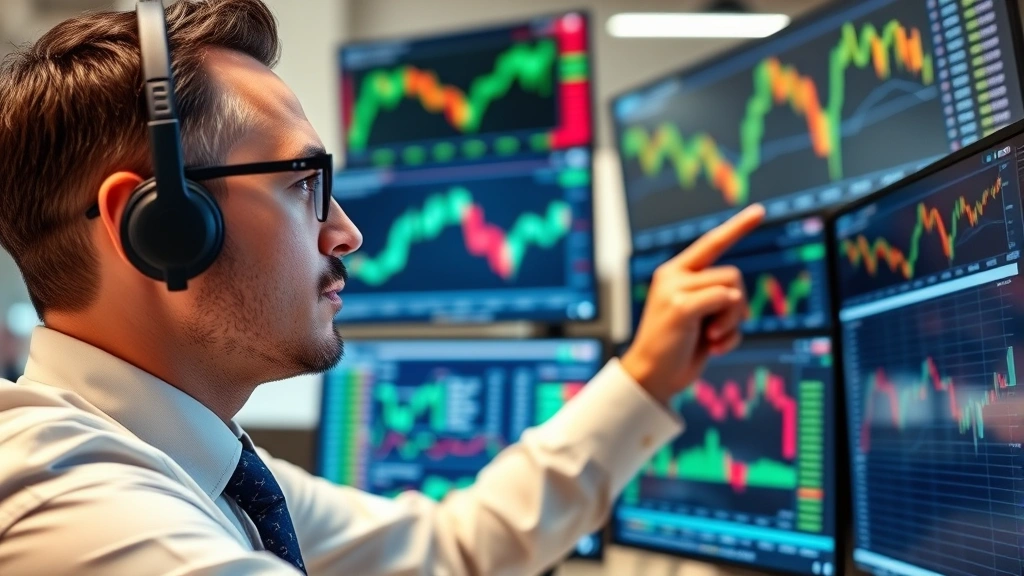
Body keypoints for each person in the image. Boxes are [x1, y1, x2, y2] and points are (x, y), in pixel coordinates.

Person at [0, 1, 764, 574]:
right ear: (160, 224)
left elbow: (450, 549)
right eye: (304, 183)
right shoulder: (87, 518)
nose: (347, 232)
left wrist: (642, 379)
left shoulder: (195, 464)